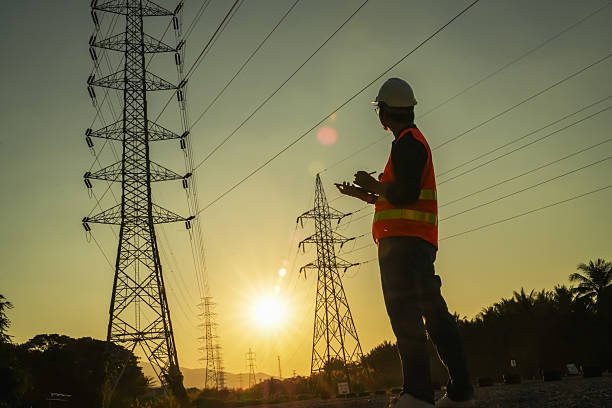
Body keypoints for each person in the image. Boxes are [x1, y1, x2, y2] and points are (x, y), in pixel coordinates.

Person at [336, 78, 475, 407]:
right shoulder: (410, 143)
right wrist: (366, 194)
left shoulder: (407, 144)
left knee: (406, 317)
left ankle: (417, 394)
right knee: (434, 315)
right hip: (415, 243)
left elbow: (406, 193)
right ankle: (460, 392)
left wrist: (374, 184)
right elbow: (400, 196)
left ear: (384, 113)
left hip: (404, 247)